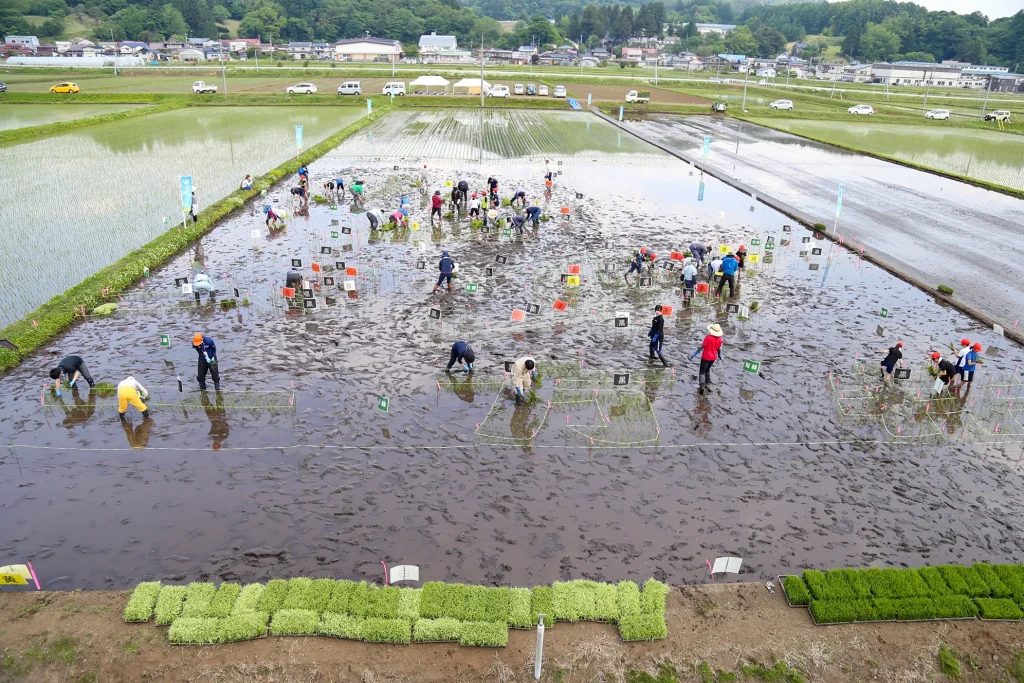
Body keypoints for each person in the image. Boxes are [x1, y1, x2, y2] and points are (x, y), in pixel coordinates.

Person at [691, 323, 724, 392]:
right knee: (707, 370)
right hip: (713, 358)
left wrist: (694, 354)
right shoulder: (720, 339)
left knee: (702, 371)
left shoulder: (708, 338)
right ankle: (707, 384)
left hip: (706, 357)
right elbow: (718, 349)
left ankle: (702, 386)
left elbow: (702, 347)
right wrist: (719, 355)